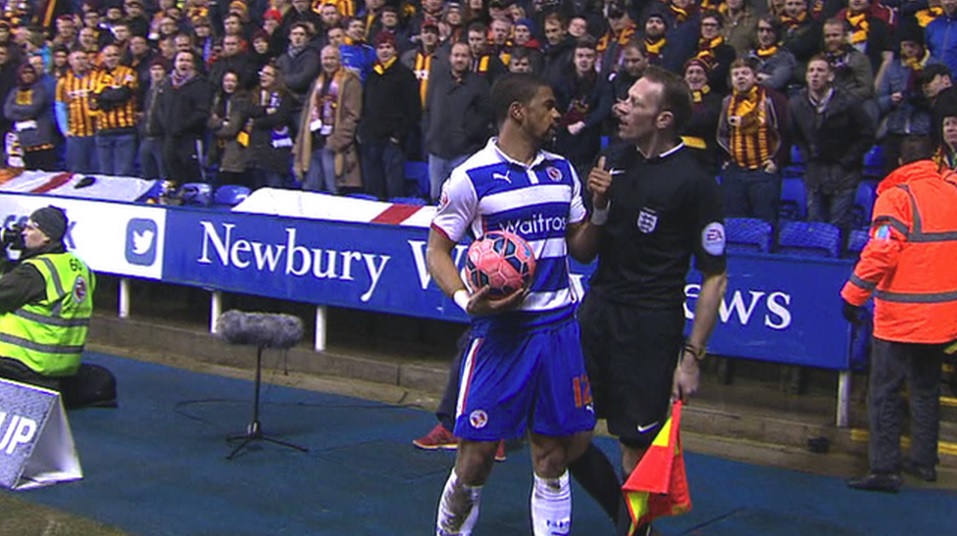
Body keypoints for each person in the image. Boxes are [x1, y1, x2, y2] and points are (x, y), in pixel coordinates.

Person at [428, 73, 598, 535]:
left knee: (552, 453)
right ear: (518, 112)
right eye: (549, 105)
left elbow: (582, 249)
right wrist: (467, 299)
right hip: (502, 336)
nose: (557, 113)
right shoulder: (470, 178)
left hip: (559, 330)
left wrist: (600, 208)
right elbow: (437, 249)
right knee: (476, 456)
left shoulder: (563, 171)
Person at [569, 65, 728, 535]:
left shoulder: (695, 182)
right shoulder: (611, 160)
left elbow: (715, 277)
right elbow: (583, 252)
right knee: (567, 435)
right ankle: (635, 527)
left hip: (650, 327)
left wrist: (692, 357)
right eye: (625, 98)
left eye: (636, 102)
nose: (622, 107)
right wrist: (598, 207)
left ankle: (634, 531)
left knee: (635, 451)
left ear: (664, 119)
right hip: (597, 313)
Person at [843, 135, 957, 493]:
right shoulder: (951, 192)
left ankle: (884, 469)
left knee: (885, 392)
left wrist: (853, 294)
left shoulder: (896, 197)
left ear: (899, 162)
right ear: (934, 158)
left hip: (900, 318)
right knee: (925, 389)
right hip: (942, 317)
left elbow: (881, 252)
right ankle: (924, 462)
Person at [0, 206, 115, 409]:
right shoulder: (80, 268)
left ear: (46, 236)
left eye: (29, 228)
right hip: (61, 367)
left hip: (22, 363)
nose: (23, 233)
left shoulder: (34, 273)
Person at [788, 55, 875, 229]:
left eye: (820, 71)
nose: (815, 75)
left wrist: (847, 160)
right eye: (811, 71)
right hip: (814, 170)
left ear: (830, 76)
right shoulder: (796, 104)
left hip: (844, 171)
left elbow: (867, 134)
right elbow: (795, 134)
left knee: (838, 225)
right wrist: (808, 156)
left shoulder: (849, 102)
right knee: (815, 225)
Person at [717, 58, 789, 224]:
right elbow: (723, 133)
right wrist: (726, 159)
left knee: (764, 223)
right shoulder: (727, 102)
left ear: (755, 76)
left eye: (745, 73)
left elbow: (785, 133)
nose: (740, 77)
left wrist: (776, 161)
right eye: (736, 74)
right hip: (735, 171)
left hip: (763, 172)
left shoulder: (773, 99)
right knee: (734, 222)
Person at [423, 41, 491, 202]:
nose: (459, 59)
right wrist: (429, 134)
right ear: (450, 58)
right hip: (437, 151)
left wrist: (468, 135)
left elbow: (485, 115)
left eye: (463, 56)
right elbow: (428, 110)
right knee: (436, 197)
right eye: (456, 55)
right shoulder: (439, 81)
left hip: (464, 152)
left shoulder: (479, 83)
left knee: (461, 199)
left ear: (470, 59)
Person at [294, 45, 363, 194]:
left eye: (332, 58)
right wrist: (300, 142)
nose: (328, 62)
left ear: (339, 60)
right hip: (313, 143)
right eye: (325, 58)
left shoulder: (350, 81)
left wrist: (335, 142)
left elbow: (353, 115)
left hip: (334, 146)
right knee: (311, 192)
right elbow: (307, 113)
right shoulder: (317, 82)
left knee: (333, 191)